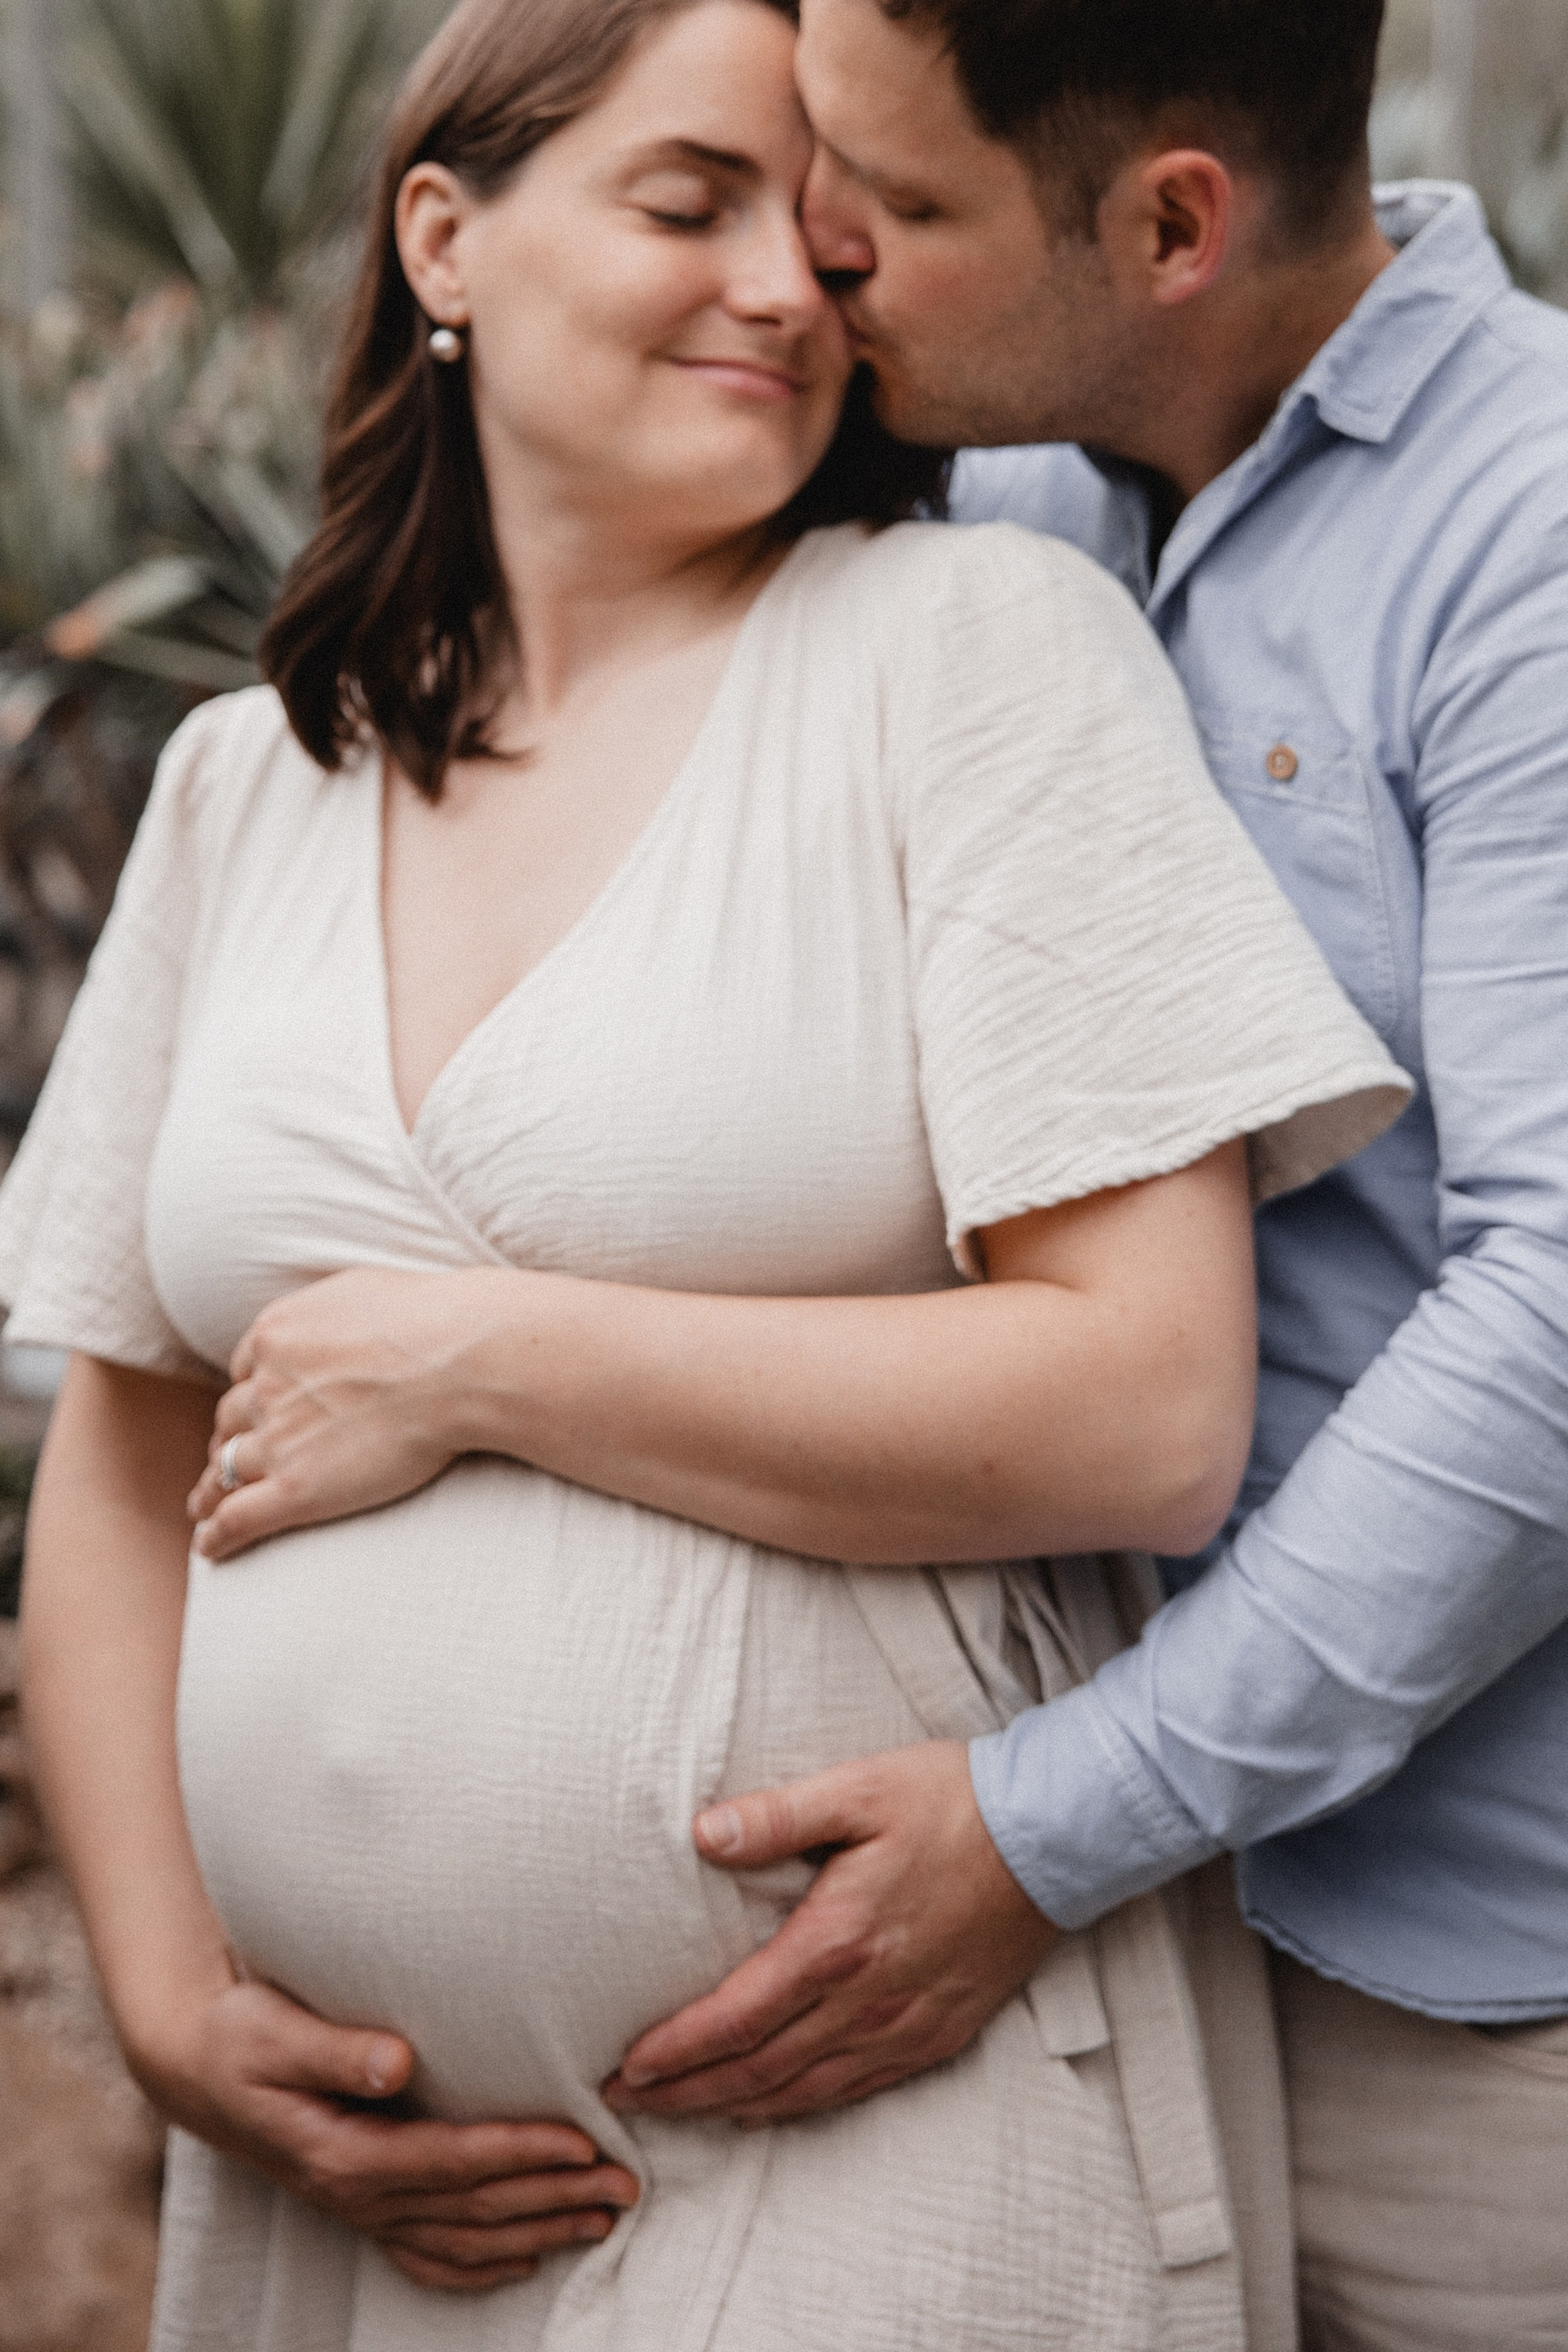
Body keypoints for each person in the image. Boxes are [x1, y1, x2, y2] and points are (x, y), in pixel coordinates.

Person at [1, 0, 1408, 2343]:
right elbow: (127, 1456)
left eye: (829, 228)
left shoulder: (968, 653)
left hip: (872, 2123)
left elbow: (1147, 1409)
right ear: (445, 235)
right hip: (350, 2200)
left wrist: (488, 1358)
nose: (790, 284)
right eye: (692, 203)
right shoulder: (249, 781)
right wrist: (168, 1997)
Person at [587, 1, 1568, 2345]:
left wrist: (1051, 1823)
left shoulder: (1532, 537)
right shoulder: (992, 489)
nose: (823, 253)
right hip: (1069, 1970)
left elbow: (1560, 1308)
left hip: (1463, 2024)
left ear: (1169, 224)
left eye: (900, 206)